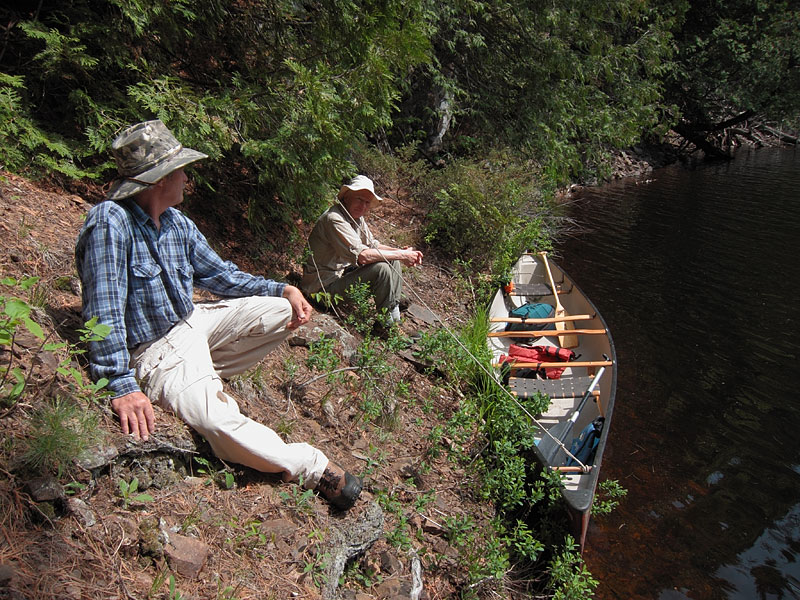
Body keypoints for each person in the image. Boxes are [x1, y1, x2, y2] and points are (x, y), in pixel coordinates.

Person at [75, 119, 361, 510]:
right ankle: (311, 466)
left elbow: (221, 276)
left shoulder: (177, 223)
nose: (186, 179)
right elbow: (103, 309)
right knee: (216, 425)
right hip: (155, 350)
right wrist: (121, 384)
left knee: (282, 311)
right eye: (180, 171)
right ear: (160, 179)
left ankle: (202, 374)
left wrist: (283, 288)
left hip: (195, 321)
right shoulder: (111, 222)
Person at [302, 175, 423, 322]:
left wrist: (400, 253)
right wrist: (401, 254)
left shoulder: (355, 218)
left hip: (340, 277)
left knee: (393, 261)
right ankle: (387, 326)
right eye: (359, 199)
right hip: (321, 290)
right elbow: (363, 256)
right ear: (346, 197)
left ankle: (393, 314)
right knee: (381, 269)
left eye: (367, 202)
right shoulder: (334, 219)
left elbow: (373, 245)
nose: (363, 206)